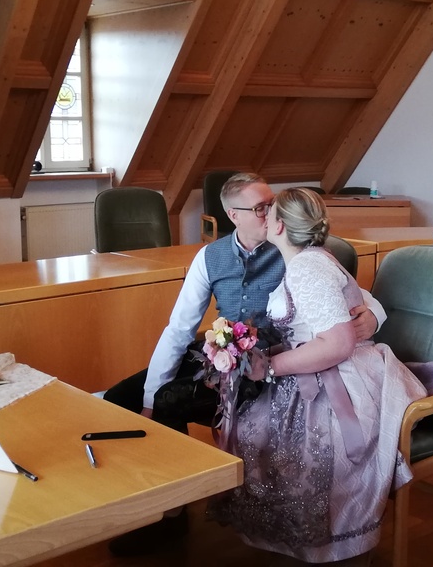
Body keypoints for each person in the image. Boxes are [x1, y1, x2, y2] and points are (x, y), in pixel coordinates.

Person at [103, 173, 386, 556]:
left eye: (271, 204)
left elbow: (347, 290)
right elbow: (179, 329)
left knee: (172, 400)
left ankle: (171, 515)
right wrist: (149, 397)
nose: (271, 213)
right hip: (224, 353)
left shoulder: (290, 247)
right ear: (233, 215)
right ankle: (157, 496)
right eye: (260, 208)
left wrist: (373, 316)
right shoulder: (210, 256)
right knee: (122, 399)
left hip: (272, 363)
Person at [208, 188, 427, 565]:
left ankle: (323, 540)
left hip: (340, 377)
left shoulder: (307, 268)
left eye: (268, 211)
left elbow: (338, 344)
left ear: (279, 225)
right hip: (320, 367)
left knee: (288, 443)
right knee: (254, 429)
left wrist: (270, 367)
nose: (263, 216)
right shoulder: (311, 259)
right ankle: (297, 536)